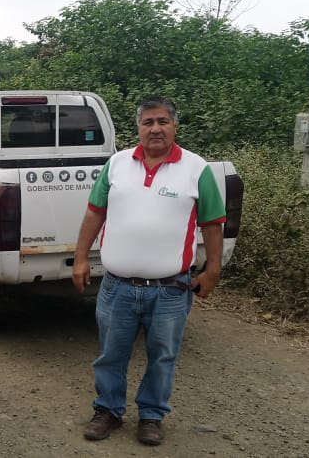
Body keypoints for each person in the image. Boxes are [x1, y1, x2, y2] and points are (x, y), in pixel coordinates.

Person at [71, 95, 226, 446]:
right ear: (138, 128)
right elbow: (95, 212)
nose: (155, 128)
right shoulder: (117, 164)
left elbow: (213, 223)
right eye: (148, 122)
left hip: (170, 289)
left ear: (174, 126)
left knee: (163, 356)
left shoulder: (196, 169)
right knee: (111, 354)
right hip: (117, 286)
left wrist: (213, 270)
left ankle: (152, 416)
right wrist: (81, 257)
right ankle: (108, 410)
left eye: (162, 121)